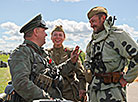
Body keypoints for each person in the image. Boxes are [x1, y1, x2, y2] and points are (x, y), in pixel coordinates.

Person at [8, 14, 81, 102]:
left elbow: (55, 73)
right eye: (43, 31)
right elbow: (21, 83)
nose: (46, 34)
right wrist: (47, 98)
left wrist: (71, 62)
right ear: (36, 32)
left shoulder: (42, 53)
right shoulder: (21, 53)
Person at [84, 6, 138, 102]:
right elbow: (88, 59)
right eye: (90, 22)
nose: (91, 25)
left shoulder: (118, 35)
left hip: (113, 93)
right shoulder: (93, 41)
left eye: (93, 21)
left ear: (103, 18)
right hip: (94, 92)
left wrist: (126, 79)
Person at [46, 25, 86, 102]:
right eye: (55, 35)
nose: (57, 37)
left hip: (69, 91)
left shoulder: (70, 53)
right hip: (51, 91)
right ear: (51, 37)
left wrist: (82, 89)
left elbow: (80, 73)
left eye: (60, 35)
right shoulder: (47, 53)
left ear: (64, 38)